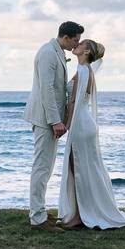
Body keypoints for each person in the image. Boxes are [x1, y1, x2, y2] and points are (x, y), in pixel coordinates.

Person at [58, 39, 125, 230]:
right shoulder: (86, 71)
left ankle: (79, 215)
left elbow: (73, 103)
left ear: (86, 51)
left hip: (81, 125)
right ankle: (80, 211)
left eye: (81, 43)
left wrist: (64, 125)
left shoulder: (84, 71)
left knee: (79, 170)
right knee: (82, 169)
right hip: (84, 124)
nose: (77, 44)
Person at [23, 21, 83, 232]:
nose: (77, 43)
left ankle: (38, 212)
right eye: (75, 39)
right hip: (45, 119)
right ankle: (37, 219)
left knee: (46, 168)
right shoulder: (48, 53)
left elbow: (56, 87)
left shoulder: (56, 51)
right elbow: (47, 89)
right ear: (65, 37)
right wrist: (55, 121)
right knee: (41, 167)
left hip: (48, 118)